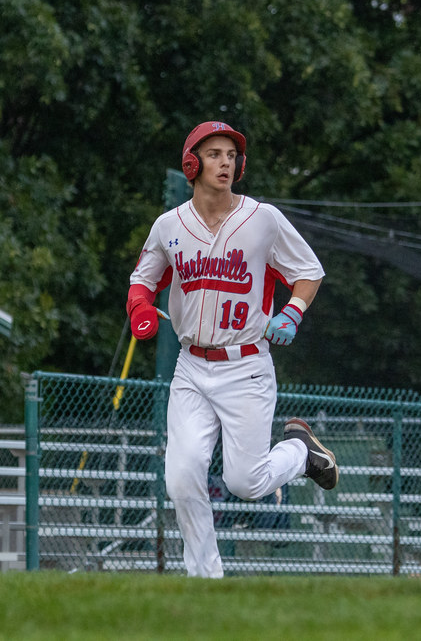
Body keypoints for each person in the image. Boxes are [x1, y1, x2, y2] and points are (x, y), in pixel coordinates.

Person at [126, 120, 339, 578]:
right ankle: (206, 579)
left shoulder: (262, 218)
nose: (225, 162)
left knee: (246, 482)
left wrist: (293, 311)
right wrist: (140, 307)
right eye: (214, 154)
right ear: (192, 164)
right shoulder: (169, 226)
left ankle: (301, 453)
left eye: (231, 155)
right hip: (191, 366)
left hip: (246, 365)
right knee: (181, 476)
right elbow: (142, 279)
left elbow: (309, 270)